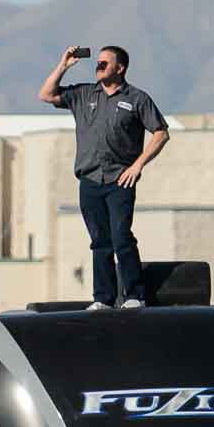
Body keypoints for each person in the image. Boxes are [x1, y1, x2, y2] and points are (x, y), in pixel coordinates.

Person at [39, 44, 169, 309]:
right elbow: (46, 94)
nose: (98, 67)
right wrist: (64, 64)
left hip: (119, 180)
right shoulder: (85, 93)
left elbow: (161, 133)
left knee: (121, 237)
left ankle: (134, 296)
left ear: (120, 68)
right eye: (97, 63)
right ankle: (104, 299)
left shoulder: (136, 98)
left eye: (104, 63)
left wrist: (138, 165)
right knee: (100, 242)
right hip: (90, 180)